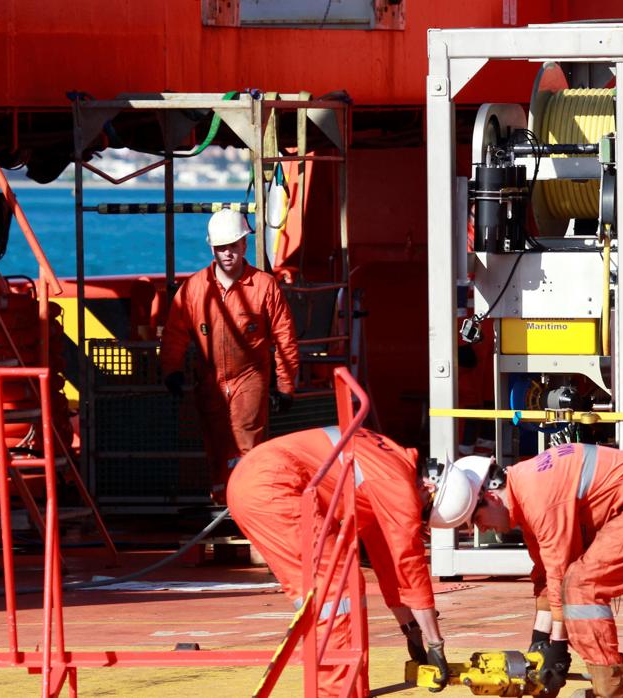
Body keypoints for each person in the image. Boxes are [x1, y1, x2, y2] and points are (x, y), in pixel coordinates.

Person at [430, 444, 623, 698]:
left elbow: (561, 573)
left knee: (583, 588)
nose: (482, 529)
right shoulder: (524, 492)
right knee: (571, 585)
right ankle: (607, 679)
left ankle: (611, 690)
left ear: (491, 497)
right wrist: (540, 641)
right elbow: (546, 573)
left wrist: (558, 649)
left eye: (476, 520)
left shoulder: (538, 497)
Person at [228, 426, 451, 696]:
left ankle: (351, 688)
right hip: (273, 486)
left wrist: (412, 632)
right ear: (429, 488)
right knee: (336, 590)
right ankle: (338, 692)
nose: (416, 517)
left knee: (341, 586)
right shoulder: (397, 485)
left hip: (260, 480)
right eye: (423, 513)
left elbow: (390, 565)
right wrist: (435, 644)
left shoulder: (389, 464)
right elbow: (409, 563)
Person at [160, 208, 299, 504]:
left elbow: (284, 337)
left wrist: (286, 386)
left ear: (244, 245)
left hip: (251, 378)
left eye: (233, 246)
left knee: (246, 442)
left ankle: (247, 505)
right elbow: (175, 333)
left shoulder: (264, 286)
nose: (227, 253)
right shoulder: (194, 288)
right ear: (212, 248)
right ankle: (222, 502)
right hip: (209, 380)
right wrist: (171, 370)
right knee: (216, 444)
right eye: (221, 247)